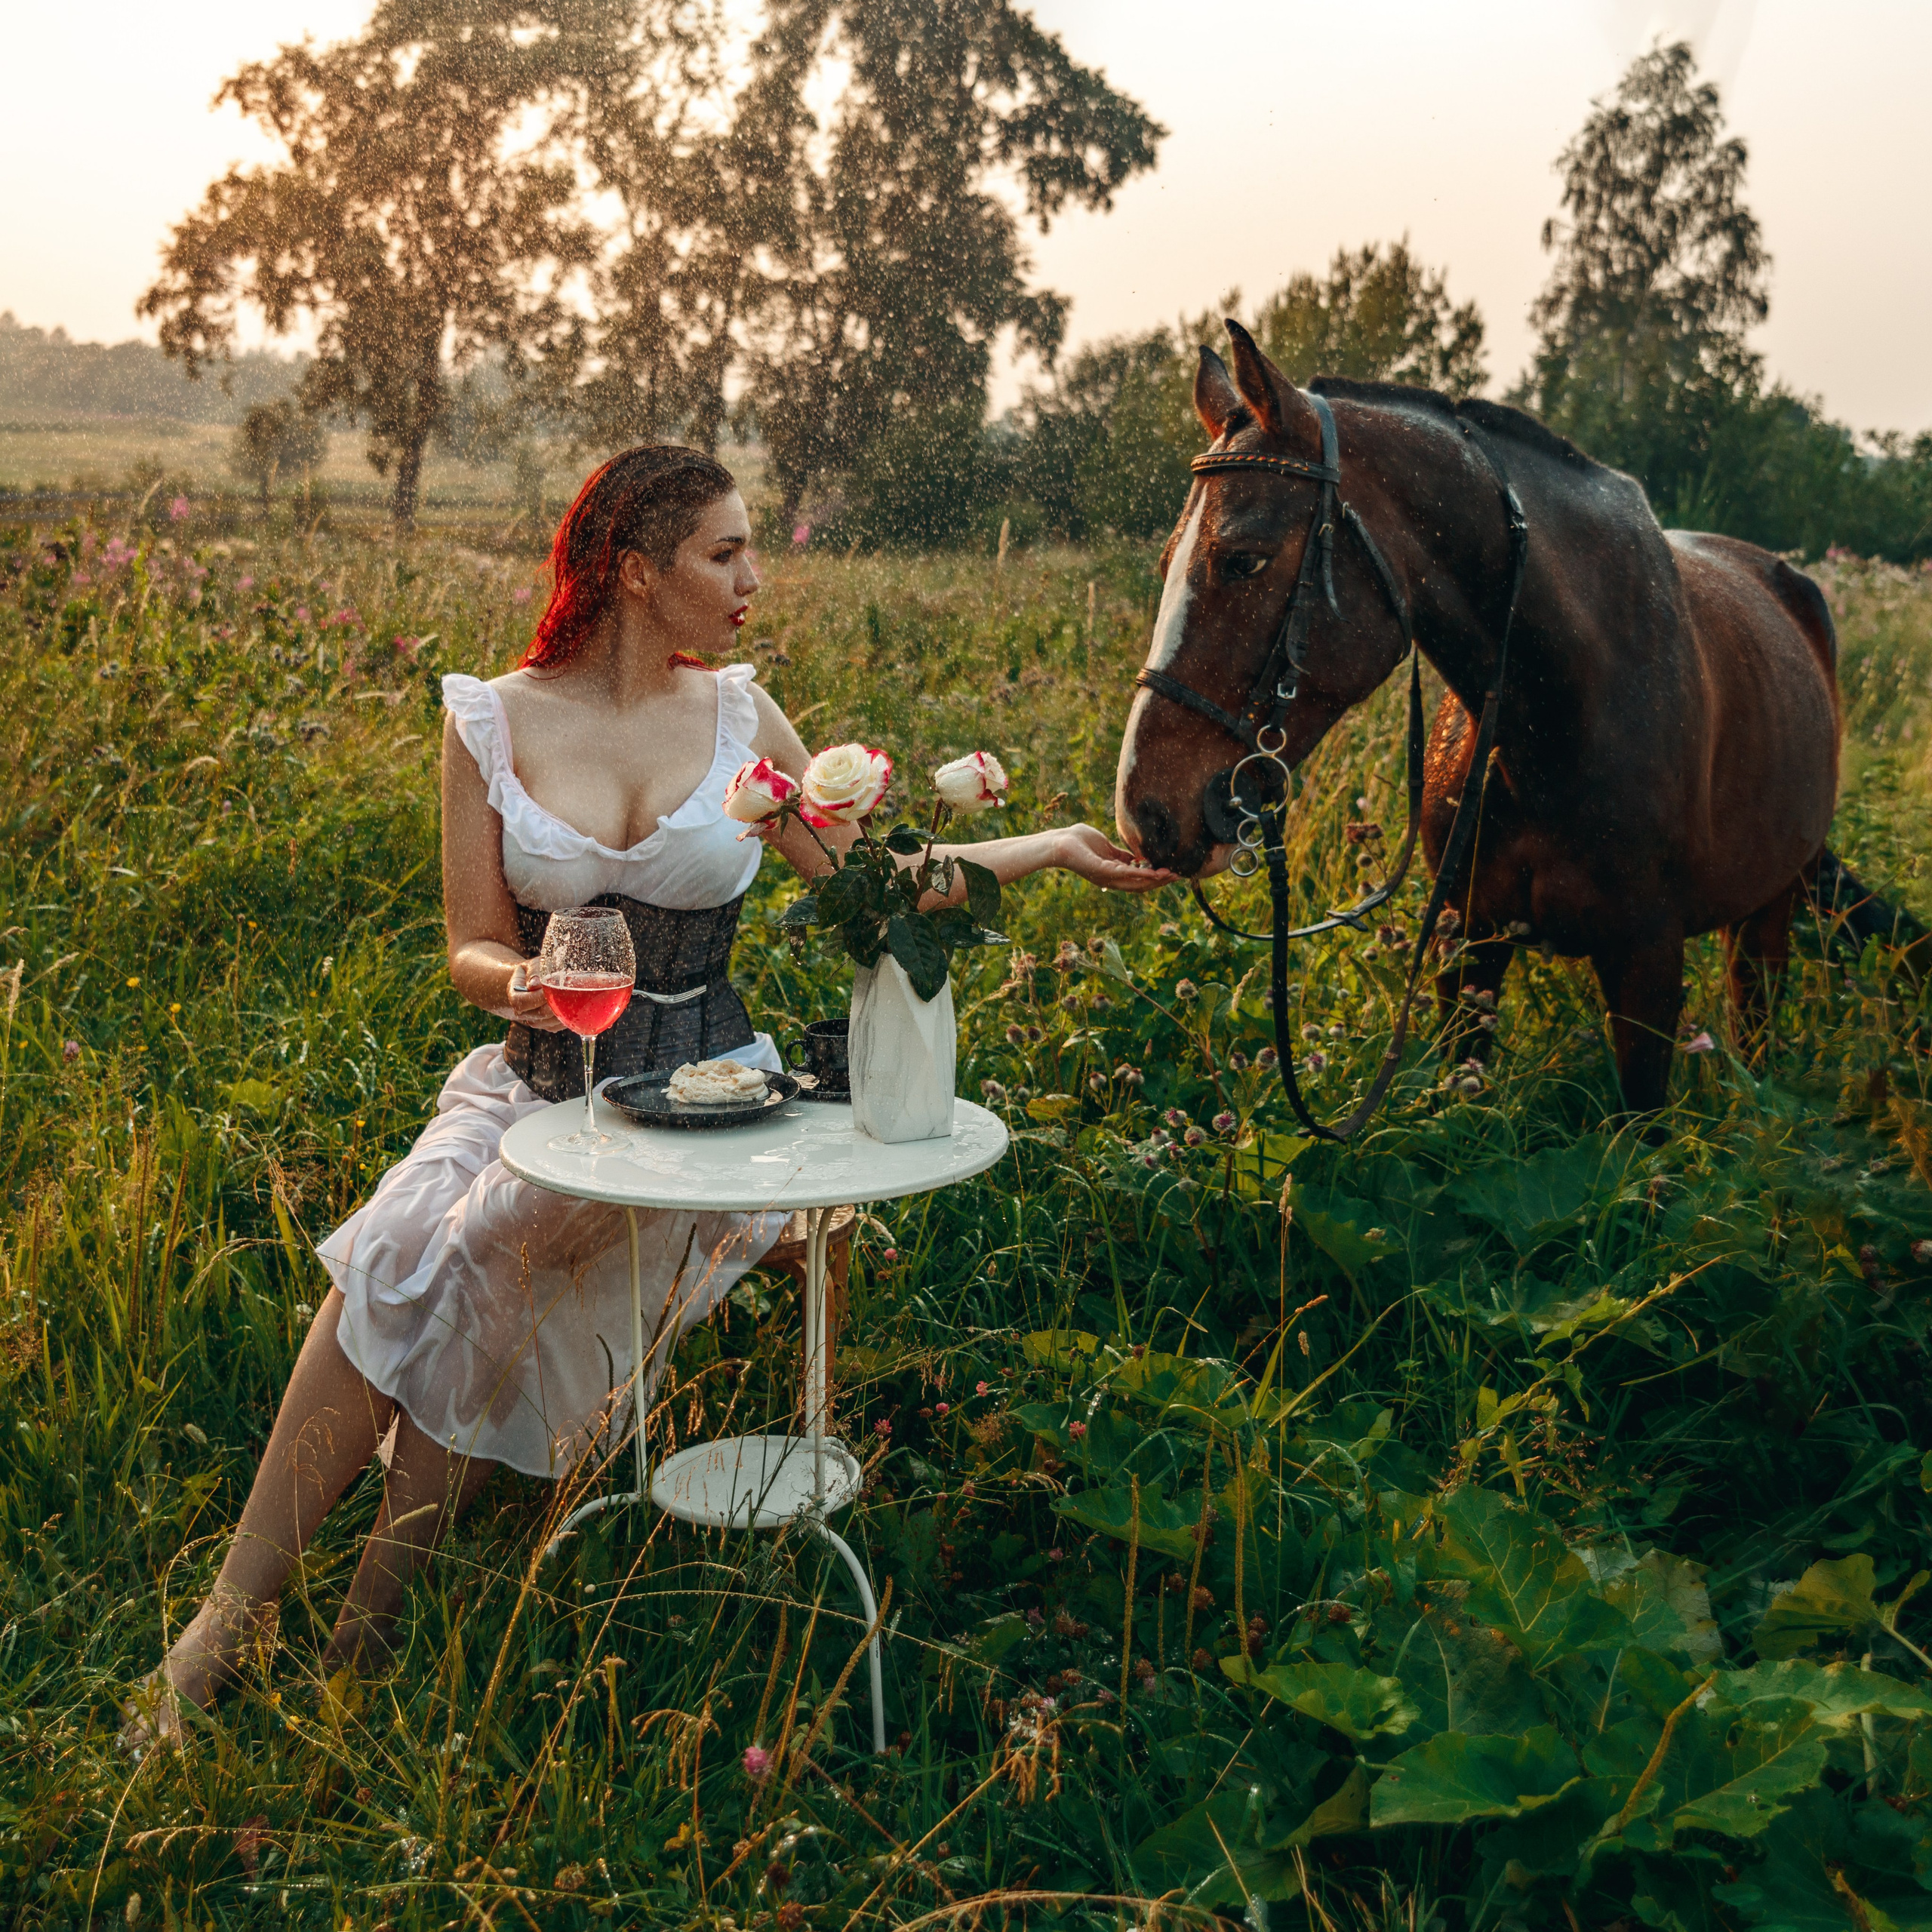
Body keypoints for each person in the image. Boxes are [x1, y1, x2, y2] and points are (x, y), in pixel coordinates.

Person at [122, 443, 1171, 1754]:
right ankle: (230, 1626)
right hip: (534, 1080)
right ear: (634, 569)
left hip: (702, 1110)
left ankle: (355, 1638)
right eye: (724, 553)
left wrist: (1058, 851)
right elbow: (468, 946)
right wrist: (534, 982)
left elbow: (883, 880)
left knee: (481, 1247)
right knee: (409, 1244)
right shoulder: (490, 719)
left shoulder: (743, 720)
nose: (753, 578)